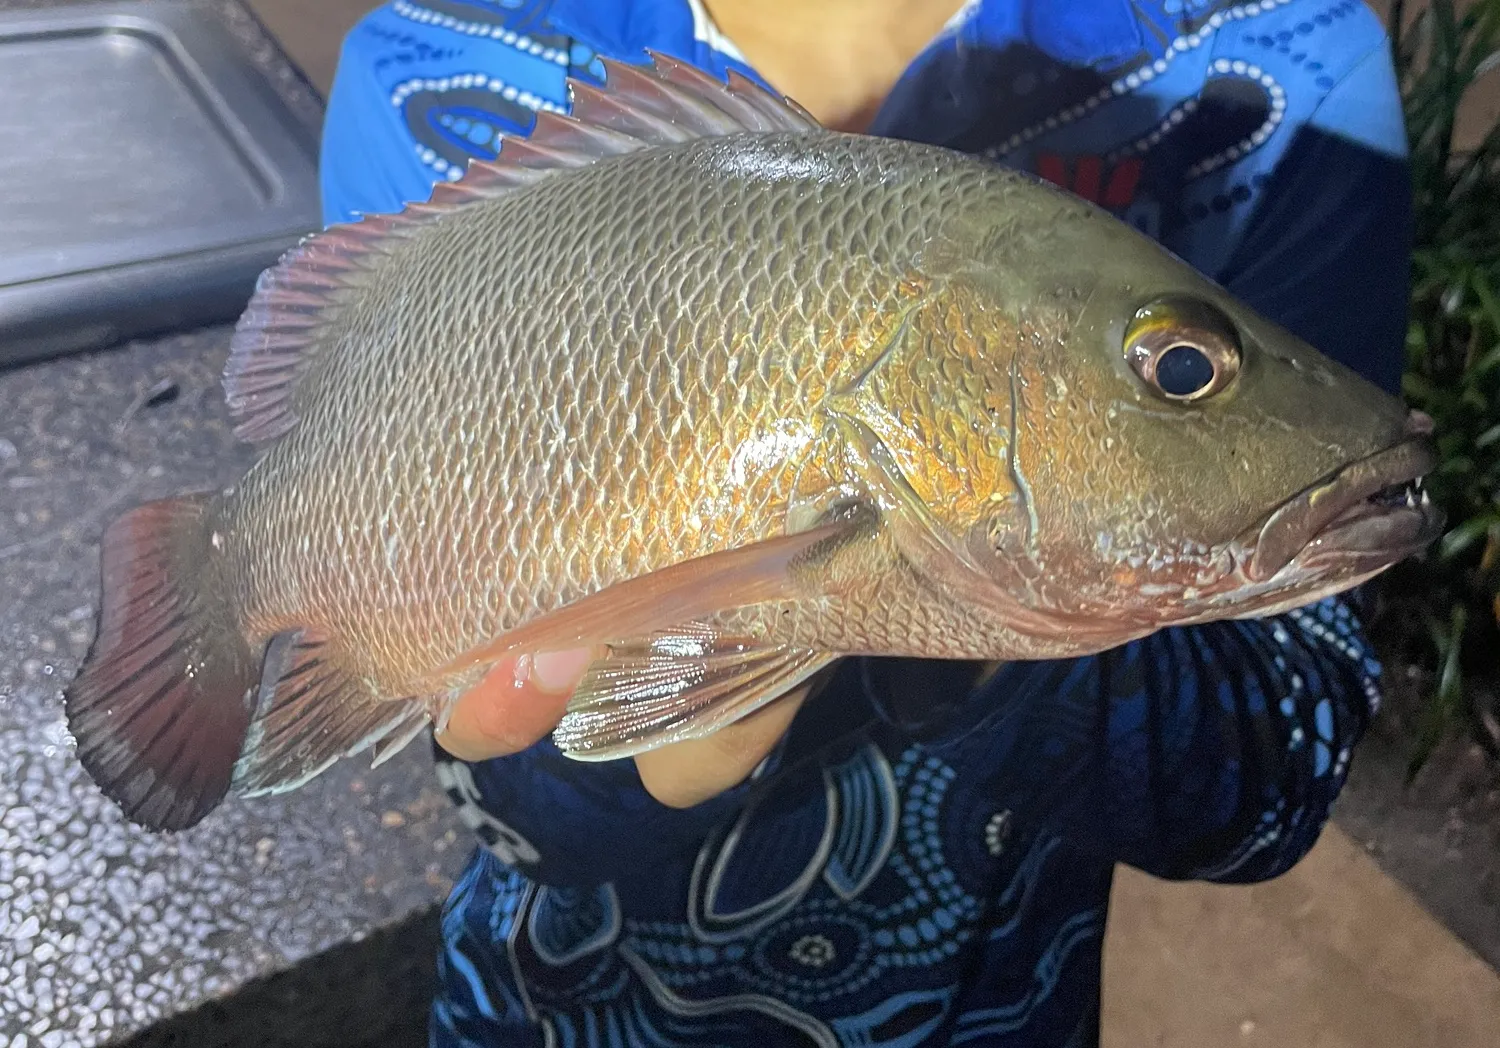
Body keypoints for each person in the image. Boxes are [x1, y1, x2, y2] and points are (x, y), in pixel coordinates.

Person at [319, 1, 1414, 1045]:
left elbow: (1275, 772)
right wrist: (606, 728)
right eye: (1182, 371)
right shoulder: (433, 71)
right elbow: (503, 801)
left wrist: (948, 605)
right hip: (548, 1008)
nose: (1181, 377)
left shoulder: (1281, 70)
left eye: (1181, 371)